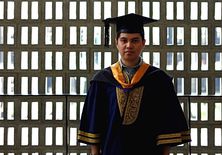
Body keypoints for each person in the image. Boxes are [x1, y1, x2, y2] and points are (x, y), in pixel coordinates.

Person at [77, 13, 191, 155]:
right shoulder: (102, 81)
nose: (129, 45)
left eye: (135, 40)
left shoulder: (159, 81)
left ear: (143, 43)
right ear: (116, 42)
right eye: (124, 40)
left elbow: (166, 124)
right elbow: (94, 122)